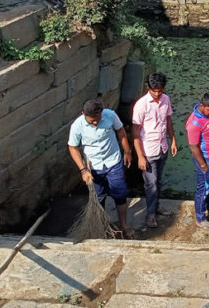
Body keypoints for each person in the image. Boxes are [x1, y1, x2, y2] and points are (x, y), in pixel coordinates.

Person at [68, 98, 135, 238]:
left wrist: (127, 151)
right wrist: (83, 170)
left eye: (97, 119)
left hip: (113, 161)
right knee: (98, 198)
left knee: (120, 194)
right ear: (83, 114)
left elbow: (121, 131)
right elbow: (73, 147)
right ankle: (101, 225)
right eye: (91, 120)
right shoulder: (77, 126)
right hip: (93, 167)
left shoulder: (110, 115)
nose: (95, 122)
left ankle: (124, 224)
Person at [132, 73, 178, 228]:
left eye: (160, 90)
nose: (157, 94)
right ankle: (150, 215)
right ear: (148, 88)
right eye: (154, 91)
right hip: (148, 150)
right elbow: (136, 132)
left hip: (162, 146)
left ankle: (156, 207)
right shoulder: (141, 105)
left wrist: (173, 140)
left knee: (157, 181)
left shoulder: (166, 99)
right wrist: (140, 156)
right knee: (151, 183)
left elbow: (168, 120)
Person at [185, 92, 209, 230]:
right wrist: (203, 165)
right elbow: (194, 147)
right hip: (205, 158)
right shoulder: (195, 123)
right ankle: (200, 218)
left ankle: (208, 207)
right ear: (202, 106)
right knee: (203, 188)